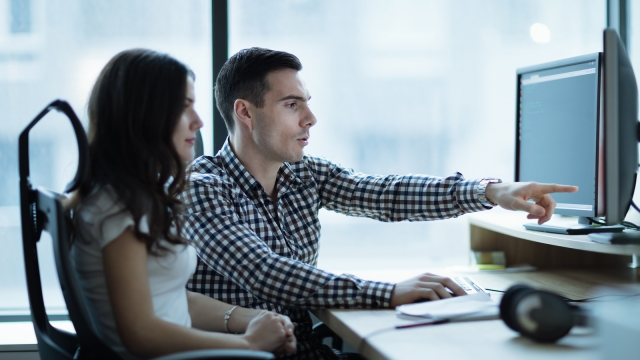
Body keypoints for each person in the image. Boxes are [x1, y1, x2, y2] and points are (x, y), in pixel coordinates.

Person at [182, 47, 578, 359]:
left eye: (307, 102)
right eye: (292, 104)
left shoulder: (305, 174)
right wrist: (387, 292)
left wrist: (489, 192)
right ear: (245, 113)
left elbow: (384, 193)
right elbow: (266, 273)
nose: (311, 118)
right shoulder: (203, 187)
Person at [69, 48, 296, 359]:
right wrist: (249, 344)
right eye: (184, 108)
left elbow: (167, 296)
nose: (198, 121)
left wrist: (249, 319)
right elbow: (141, 334)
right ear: (147, 115)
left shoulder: (131, 196)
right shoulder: (116, 207)